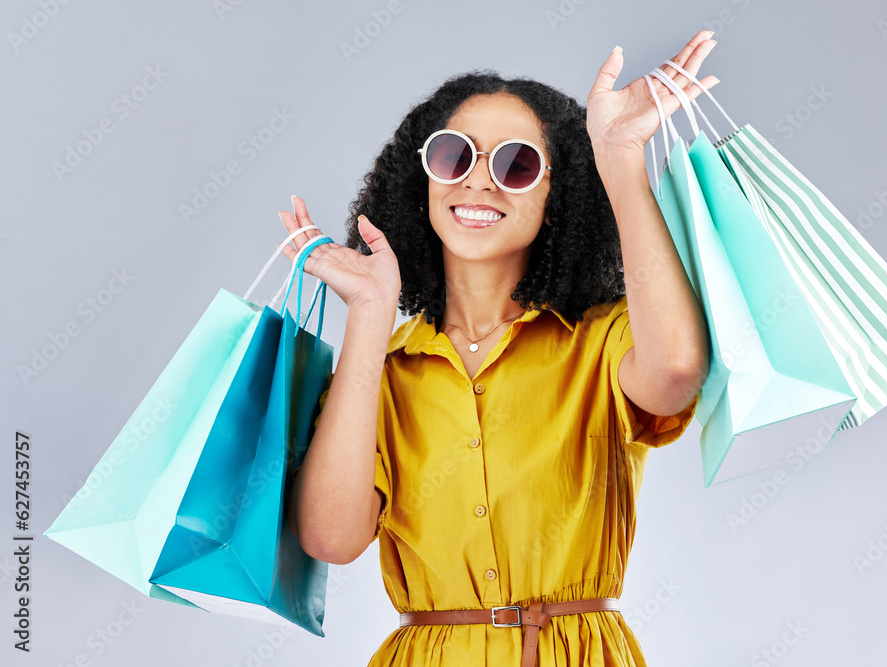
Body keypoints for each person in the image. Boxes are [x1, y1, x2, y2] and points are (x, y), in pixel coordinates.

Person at [280, 31, 716, 667]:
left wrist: (620, 157)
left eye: (517, 165)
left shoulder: (600, 339)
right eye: (455, 157)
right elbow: (331, 537)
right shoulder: (383, 372)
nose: (479, 182)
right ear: (422, 180)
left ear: (557, 194)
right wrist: (370, 317)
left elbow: (676, 372)